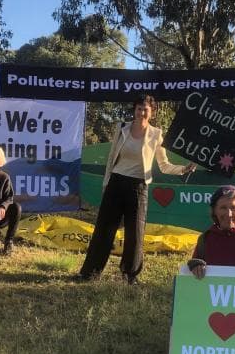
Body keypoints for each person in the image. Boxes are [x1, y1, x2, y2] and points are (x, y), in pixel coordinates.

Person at [78, 95, 196, 284]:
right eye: (139, 108)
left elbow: (164, 165)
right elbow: (111, 159)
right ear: (134, 110)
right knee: (104, 230)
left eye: (145, 109)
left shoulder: (156, 134)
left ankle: (129, 275)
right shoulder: (122, 128)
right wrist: (106, 183)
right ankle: (89, 273)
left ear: (152, 112)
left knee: (135, 233)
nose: (141, 112)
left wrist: (183, 169)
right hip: (116, 183)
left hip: (138, 186)